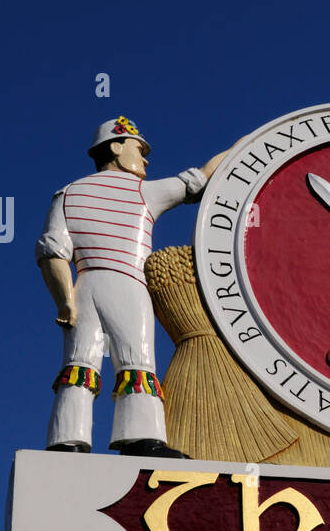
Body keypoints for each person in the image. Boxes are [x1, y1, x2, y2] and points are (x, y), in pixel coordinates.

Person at [36, 116, 229, 456]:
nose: (146, 158)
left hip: (84, 285)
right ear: (116, 147)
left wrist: (65, 299)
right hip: (127, 282)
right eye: (139, 149)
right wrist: (239, 148)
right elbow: (199, 179)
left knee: (78, 364)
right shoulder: (143, 191)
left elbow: (52, 252)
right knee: (137, 361)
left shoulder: (66, 194)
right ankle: (141, 438)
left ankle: (67, 440)